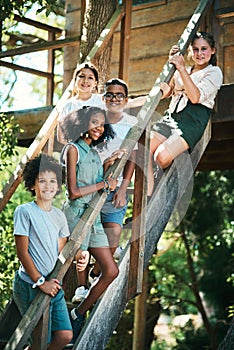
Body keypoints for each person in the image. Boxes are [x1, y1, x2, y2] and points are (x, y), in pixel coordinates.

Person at [60, 106, 119, 343]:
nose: (99, 127)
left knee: (112, 271)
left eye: (102, 124)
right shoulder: (73, 149)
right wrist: (104, 184)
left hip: (92, 217)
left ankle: (78, 313)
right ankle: (70, 306)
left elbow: (96, 183)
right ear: (83, 123)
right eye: (94, 122)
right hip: (75, 215)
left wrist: (107, 167)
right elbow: (73, 192)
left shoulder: (95, 153)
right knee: (81, 258)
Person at [148, 31, 223, 194]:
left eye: (204, 49)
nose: (199, 53)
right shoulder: (185, 69)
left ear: (213, 50)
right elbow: (171, 90)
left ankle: (154, 190)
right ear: (190, 50)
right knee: (143, 151)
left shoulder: (214, 72)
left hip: (192, 119)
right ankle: (143, 199)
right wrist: (167, 86)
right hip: (171, 115)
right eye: (195, 49)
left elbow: (195, 97)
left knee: (160, 157)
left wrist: (180, 68)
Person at [12, 154, 73, 350]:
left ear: (58, 185)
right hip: (31, 283)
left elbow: (60, 250)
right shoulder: (24, 211)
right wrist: (40, 282)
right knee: (39, 341)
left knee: (64, 335)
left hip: (51, 282)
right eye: (42, 181)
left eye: (53, 181)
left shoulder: (59, 216)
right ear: (32, 185)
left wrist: (81, 256)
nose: (48, 186)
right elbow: (22, 253)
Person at [88, 78, 138, 284]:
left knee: (114, 232)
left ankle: (96, 274)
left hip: (116, 186)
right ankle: (88, 277)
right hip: (94, 184)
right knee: (92, 234)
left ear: (125, 100)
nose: (114, 98)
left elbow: (133, 156)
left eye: (119, 95)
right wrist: (106, 164)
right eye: (110, 94)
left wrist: (123, 187)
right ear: (103, 98)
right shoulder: (97, 122)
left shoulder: (131, 124)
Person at [57, 62, 146, 144]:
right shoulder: (67, 106)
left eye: (90, 78)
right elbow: (61, 137)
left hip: (101, 147)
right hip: (78, 151)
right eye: (82, 76)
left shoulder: (101, 100)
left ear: (95, 83)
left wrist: (157, 93)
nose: (85, 81)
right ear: (75, 79)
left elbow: (132, 102)